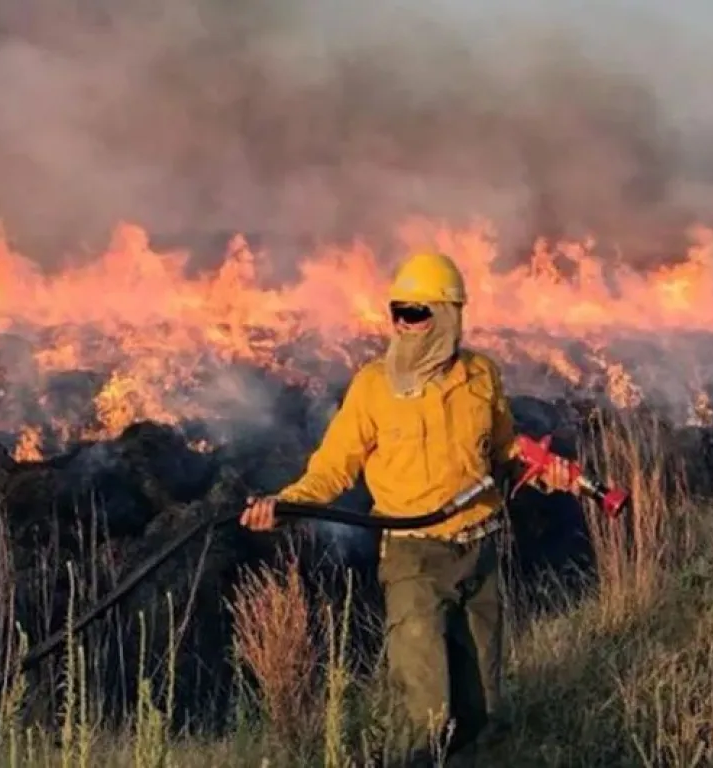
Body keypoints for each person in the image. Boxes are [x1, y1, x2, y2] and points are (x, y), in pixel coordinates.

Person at [240, 250, 578, 765]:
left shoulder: (481, 376)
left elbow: (505, 454)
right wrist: (286, 505)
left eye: (418, 313)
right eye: (399, 312)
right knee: (426, 713)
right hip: (414, 559)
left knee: (480, 707)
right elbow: (332, 467)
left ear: (448, 316)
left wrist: (546, 474)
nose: (406, 324)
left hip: (480, 551)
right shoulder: (373, 387)